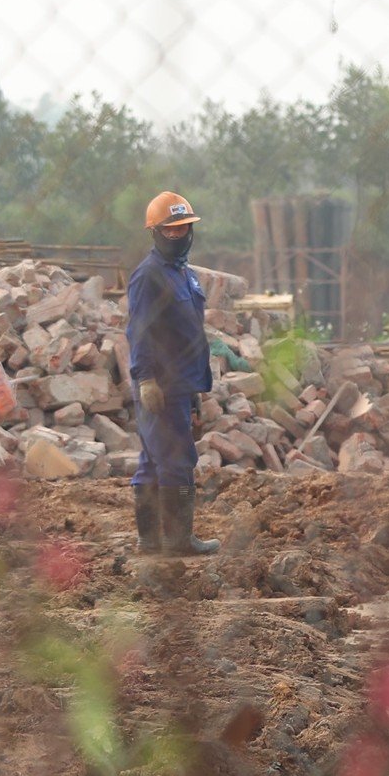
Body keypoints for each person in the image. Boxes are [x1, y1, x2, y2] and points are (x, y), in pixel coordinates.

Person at [127, 192, 220, 558]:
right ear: (156, 233)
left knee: (153, 461)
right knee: (177, 461)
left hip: (182, 385)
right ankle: (179, 540)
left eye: (184, 228)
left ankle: (150, 541)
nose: (179, 235)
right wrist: (145, 378)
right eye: (171, 230)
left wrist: (195, 393)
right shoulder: (147, 276)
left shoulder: (185, 275)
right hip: (160, 387)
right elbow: (140, 331)